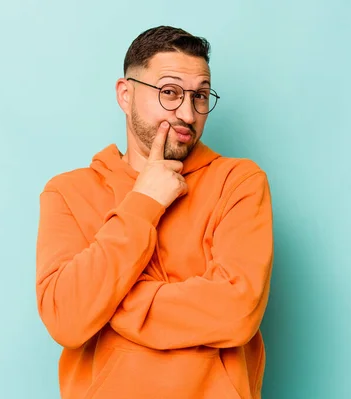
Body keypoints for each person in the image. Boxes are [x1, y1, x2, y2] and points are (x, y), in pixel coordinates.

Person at [36, 25, 274, 399]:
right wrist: (144, 201)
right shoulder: (68, 192)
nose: (188, 113)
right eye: (169, 92)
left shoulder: (238, 181)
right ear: (125, 94)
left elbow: (237, 312)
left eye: (200, 96)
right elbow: (66, 320)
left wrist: (114, 303)